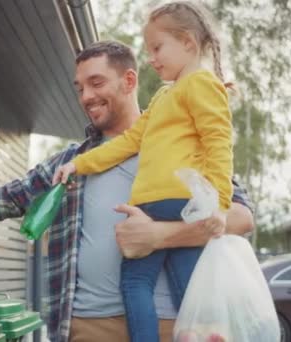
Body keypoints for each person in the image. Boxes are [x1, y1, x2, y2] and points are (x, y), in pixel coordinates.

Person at [0, 40, 253, 342]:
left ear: (129, 81)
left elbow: (239, 218)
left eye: (96, 83)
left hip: (171, 326)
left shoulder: (181, 147)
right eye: (80, 88)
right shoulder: (70, 163)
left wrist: (159, 235)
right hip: (87, 327)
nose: (86, 97)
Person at [53, 2, 233, 341]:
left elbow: (218, 143)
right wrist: (79, 163)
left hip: (168, 202)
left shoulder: (201, 84)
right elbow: (129, 141)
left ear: (188, 43)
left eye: (157, 47)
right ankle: (198, 333)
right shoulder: (165, 96)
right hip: (166, 205)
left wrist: (220, 204)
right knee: (187, 284)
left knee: (136, 281)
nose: (151, 57)